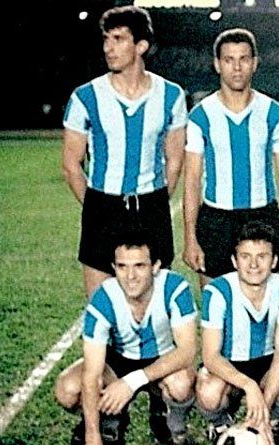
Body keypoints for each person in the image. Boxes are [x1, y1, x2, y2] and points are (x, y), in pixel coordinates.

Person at [62, 5, 187, 298]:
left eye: (118, 39)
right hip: (102, 207)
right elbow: (71, 165)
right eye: (106, 39)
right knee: (102, 311)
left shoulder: (171, 95)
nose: (108, 48)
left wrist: (153, 202)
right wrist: (97, 205)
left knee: (152, 312)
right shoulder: (85, 97)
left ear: (141, 45)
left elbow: (175, 158)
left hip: (151, 207)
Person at [53, 233, 198, 445]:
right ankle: (110, 420)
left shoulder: (175, 288)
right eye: (122, 266)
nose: (130, 277)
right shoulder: (103, 298)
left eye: (139, 266)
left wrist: (131, 383)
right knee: (68, 389)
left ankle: (176, 427)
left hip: (162, 362)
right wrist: (92, 440)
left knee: (181, 384)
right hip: (117, 362)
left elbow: (186, 352)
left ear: (155, 266)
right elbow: (91, 374)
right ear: (114, 267)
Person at [183, 28, 279, 287]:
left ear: (254, 63)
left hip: (262, 215)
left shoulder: (273, 113)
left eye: (244, 59)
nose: (237, 68)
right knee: (216, 305)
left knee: (265, 305)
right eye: (229, 60)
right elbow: (191, 179)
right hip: (216, 219)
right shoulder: (201, 115)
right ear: (217, 64)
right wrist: (190, 237)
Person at [195, 221, 279, 445]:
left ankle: (272, 422)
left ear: (274, 261)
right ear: (235, 261)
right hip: (227, 363)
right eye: (245, 256)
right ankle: (220, 423)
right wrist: (248, 386)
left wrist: (262, 408)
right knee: (209, 393)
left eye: (262, 256)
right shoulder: (217, 291)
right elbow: (210, 356)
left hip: (268, 362)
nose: (253, 264)